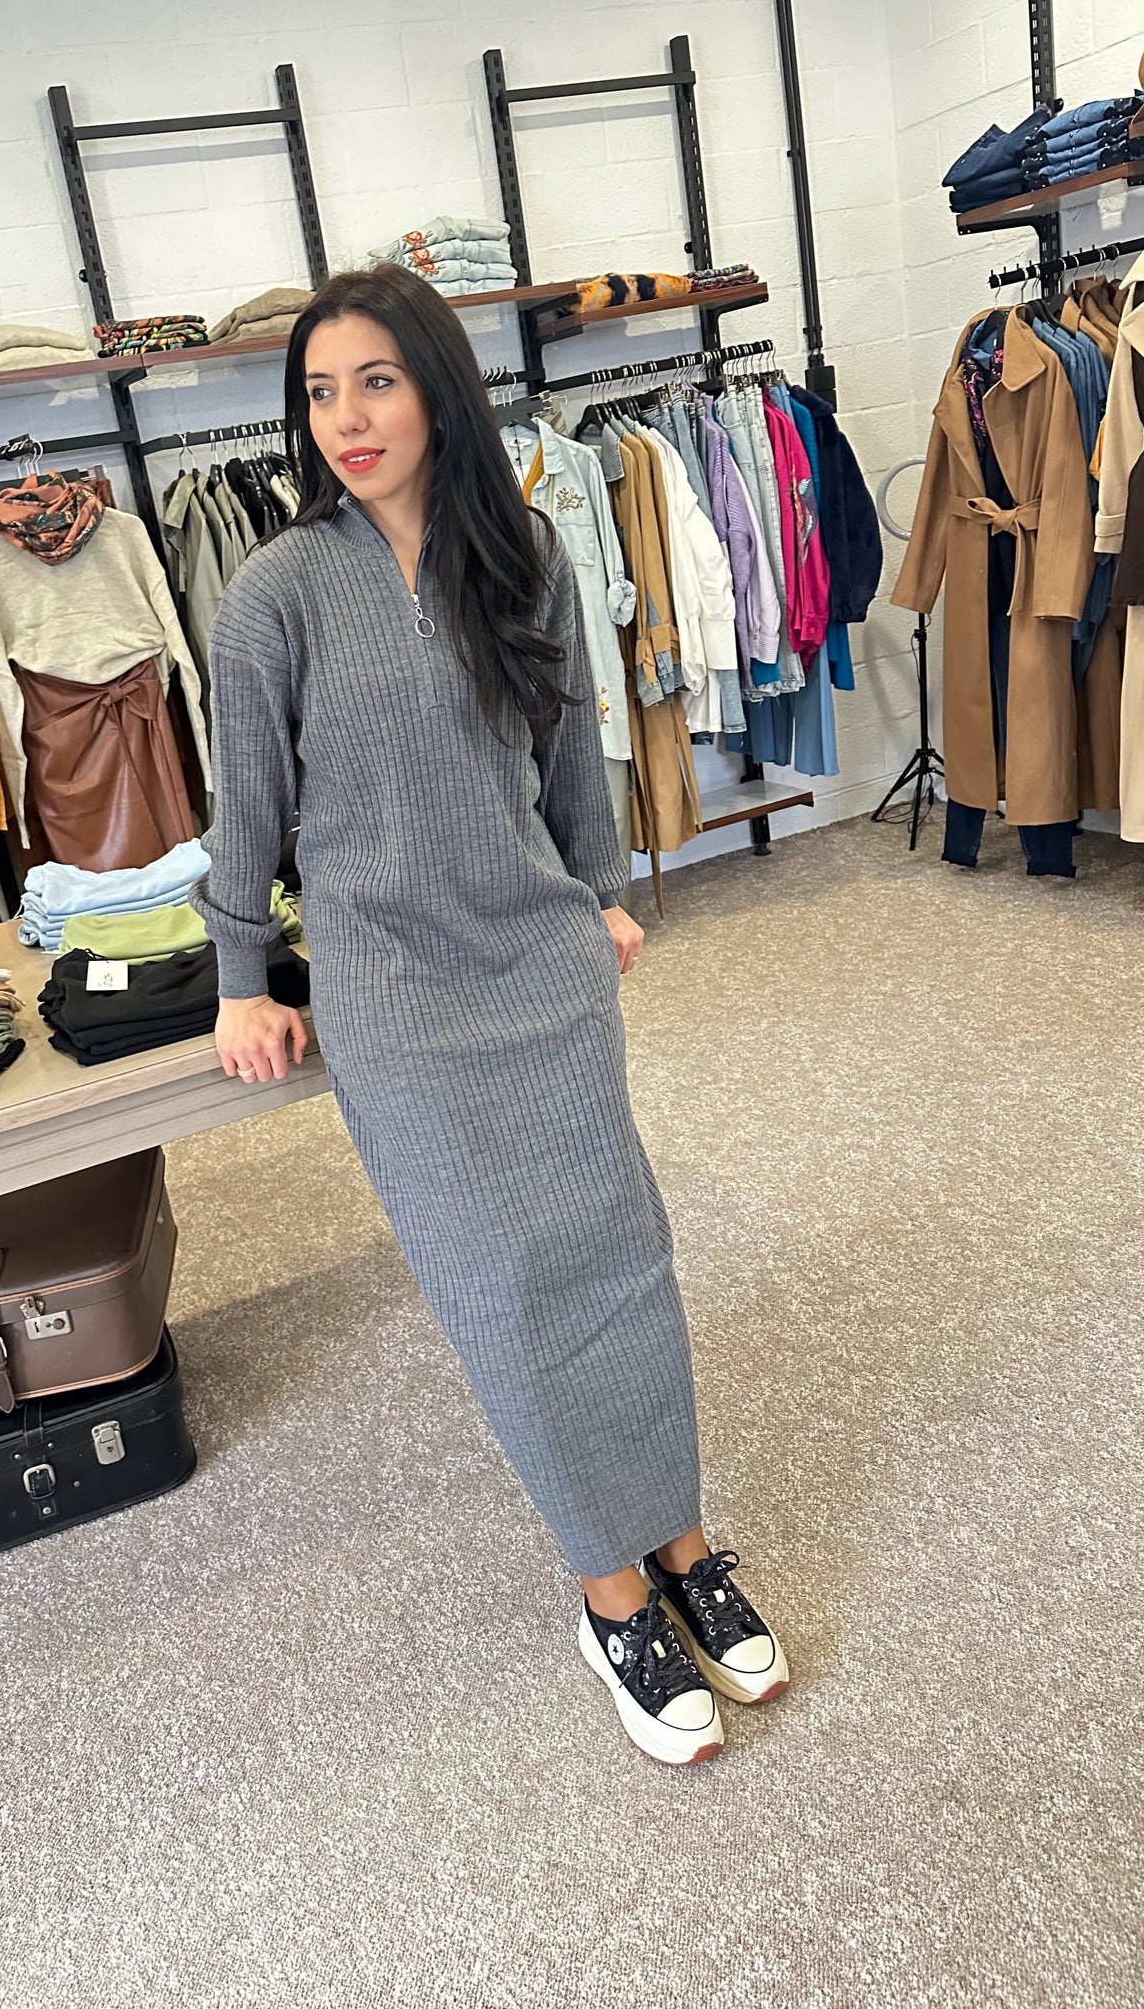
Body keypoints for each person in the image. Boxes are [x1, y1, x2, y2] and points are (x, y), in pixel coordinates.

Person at [189, 263, 787, 1764]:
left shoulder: (522, 552)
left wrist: (599, 891)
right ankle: (609, 1592)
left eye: (376, 382)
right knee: (504, 1287)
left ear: (438, 392)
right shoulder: (274, 595)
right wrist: (242, 977)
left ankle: (679, 1541)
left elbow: (569, 744)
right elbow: (244, 808)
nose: (345, 419)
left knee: (617, 1254)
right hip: (392, 993)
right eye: (319, 393)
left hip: (538, 966)